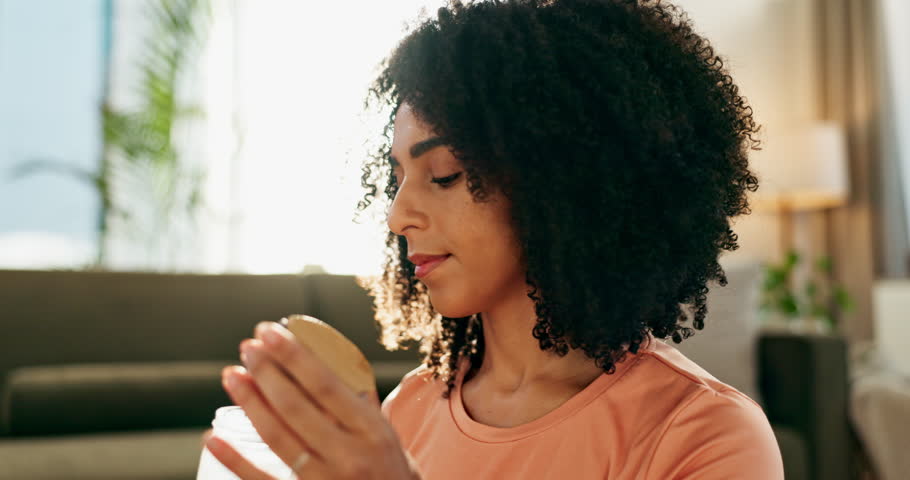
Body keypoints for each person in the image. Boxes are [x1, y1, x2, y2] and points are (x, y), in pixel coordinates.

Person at [204, 0, 785, 478]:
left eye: (445, 175)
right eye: (398, 178)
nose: (398, 216)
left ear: (559, 181)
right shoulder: (408, 409)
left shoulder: (700, 434)